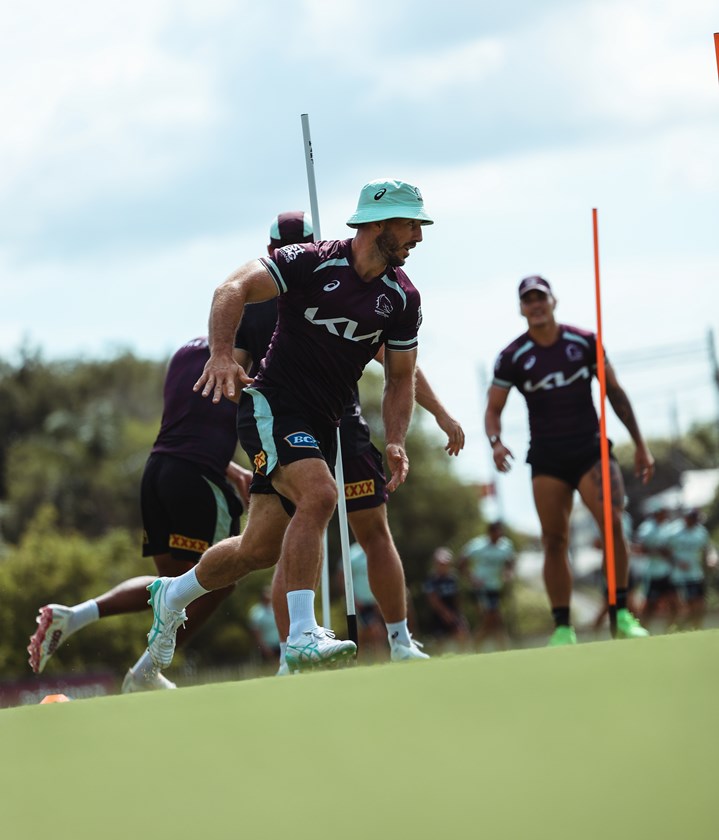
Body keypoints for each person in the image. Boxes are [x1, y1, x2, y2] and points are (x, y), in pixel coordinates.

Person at [144, 178, 435, 674]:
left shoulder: (402, 298)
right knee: (321, 496)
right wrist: (219, 354)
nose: (418, 237)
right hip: (272, 405)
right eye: (411, 225)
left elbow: (400, 379)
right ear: (377, 224)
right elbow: (230, 288)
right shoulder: (312, 260)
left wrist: (398, 439)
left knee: (256, 549)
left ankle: (172, 595)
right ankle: (301, 636)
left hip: (321, 424)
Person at [234, 212, 465, 670]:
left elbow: (398, 365)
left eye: (299, 241)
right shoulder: (260, 300)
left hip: (345, 422)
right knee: (286, 532)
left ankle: (400, 641)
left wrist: (437, 413)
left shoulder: (363, 286)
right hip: (281, 421)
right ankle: (292, 648)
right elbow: (233, 375)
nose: (291, 249)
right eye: (285, 244)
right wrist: (252, 450)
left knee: (372, 529)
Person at [27, 337, 253, 691]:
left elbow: (188, 429)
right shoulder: (247, 358)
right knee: (219, 580)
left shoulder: (185, 353)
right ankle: (146, 672)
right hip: (197, 482)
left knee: (170, 588)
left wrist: (234, 470)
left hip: (158, 473)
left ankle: (74, 616)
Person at [485, 275, 654, 646]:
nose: (535, 305)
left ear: (553, 301)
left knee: (612, 524)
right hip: (547, 457)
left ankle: (621, 613)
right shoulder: (512, 356)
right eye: (528, 300)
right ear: (521, 308)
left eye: (540, 298)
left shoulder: (584, 341)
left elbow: (615, 392)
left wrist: (640, 444)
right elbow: (493, 410)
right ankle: (563, 627)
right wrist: (496, 443)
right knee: (554, 540)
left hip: (590, 449)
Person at [459, 521, 515, 650]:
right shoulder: (477, 545)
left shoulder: (506, 546)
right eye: (496, 533)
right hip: (481, 587)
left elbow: (510, 562)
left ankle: (478, 645)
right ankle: (500, 645)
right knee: (492, 616)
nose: (498, 536)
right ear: (490, 533)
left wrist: (508, 573)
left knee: (492, 619)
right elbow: (461, 561)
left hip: (496, 587)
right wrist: (471, 578)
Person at [666, 508, 713, 630]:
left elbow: (707, 548)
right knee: (687, 605)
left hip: (696, 574)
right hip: (679, 575)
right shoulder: (674, 531)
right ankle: (678, 628)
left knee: (700, 605)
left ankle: (696, 628)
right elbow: (665, 550)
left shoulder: (701, 532)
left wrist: (709, 560)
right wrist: (677, 562)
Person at [635, 505, 680, 631]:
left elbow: (671, 548)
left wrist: (670, 554)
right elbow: (639, 548)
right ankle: (642, 629)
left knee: (674, 603)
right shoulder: (646, 528)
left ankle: (671, 629)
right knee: (650, 607)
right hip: (653, 573)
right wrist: (658, 552)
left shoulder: (667, 527)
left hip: (667, 571)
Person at [422, 547, 471, 651]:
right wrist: (445, 614)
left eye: (446, 563)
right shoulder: (432, 579)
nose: (443, 566)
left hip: (454, 613)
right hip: (438, 616)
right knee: (440, 643)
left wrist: (459, 614)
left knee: (462, 634)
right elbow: (433, 600)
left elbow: (457, 597)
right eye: (440, 563)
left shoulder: (453, 578)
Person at [247, 586, 282, 664]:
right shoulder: (256, 611)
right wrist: (264, 647)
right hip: (267, 646)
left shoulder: (276, 607)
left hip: (280, 643)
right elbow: (255, 632)